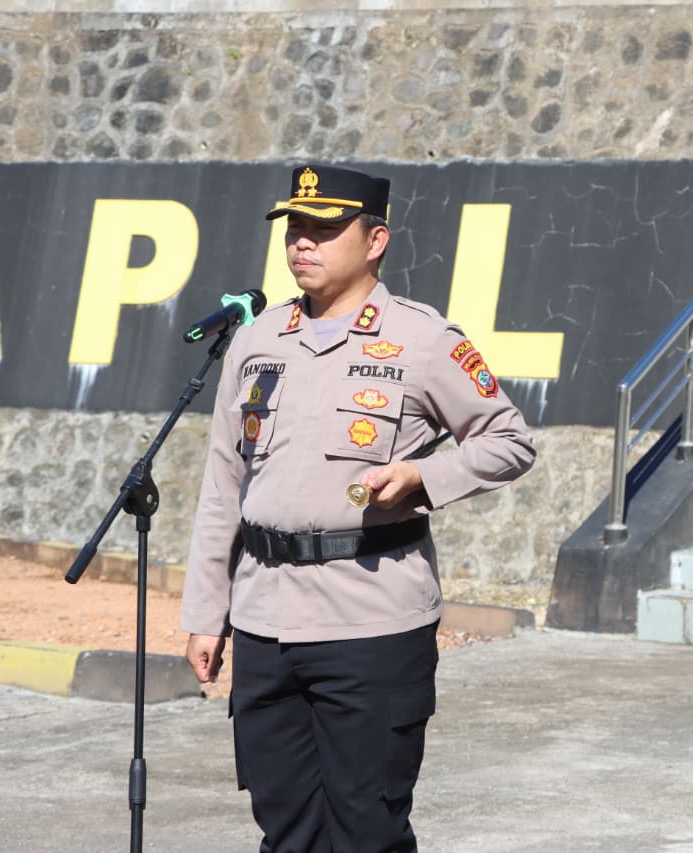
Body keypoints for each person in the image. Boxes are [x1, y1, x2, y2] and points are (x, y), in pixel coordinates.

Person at [180, 164, 537, 852]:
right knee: (283, 825)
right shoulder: (257, 341)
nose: (302, 243)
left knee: (365, 828)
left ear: (375, 241)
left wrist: (425, 475)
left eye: (324, 228)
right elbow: (225, 482)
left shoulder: (421, 338)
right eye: (295, 228)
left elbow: (509, 439)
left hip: (368, 620)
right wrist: (205, 613)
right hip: (264, 617)